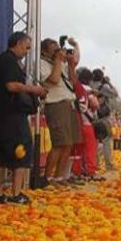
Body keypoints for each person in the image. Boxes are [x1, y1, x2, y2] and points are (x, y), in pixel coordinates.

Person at [0, 32, 48, 204]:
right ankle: (16, 194)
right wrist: (34, 90)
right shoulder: (8, 61)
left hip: (2, 114)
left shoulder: (5, 61)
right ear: (18, 43)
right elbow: (11, 85)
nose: (27, 51)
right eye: (27, 47)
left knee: (1, 153)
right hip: (12, 115)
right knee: (22, 149)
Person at [40, 37, 83, 186]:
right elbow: (54, 80)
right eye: (54, 48)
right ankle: (47, 178)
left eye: (58, 48)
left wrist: (70, 65)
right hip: (56, 104)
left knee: (69, 143)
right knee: (59, 143)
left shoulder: (61, 63)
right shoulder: (41, 63)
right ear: (45, 51)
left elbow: (73, 82)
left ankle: (59, 177)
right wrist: (58, 61)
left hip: (69, 104)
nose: (58, 51)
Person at [91, 69, 118, 171]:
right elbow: (115, 94)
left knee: (95, 141)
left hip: (92, 116)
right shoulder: (104, 87)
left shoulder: (89, 85)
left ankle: (95, 164)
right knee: (107, 141)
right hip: (104, 117)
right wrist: (109, 83)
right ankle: (109, 165)